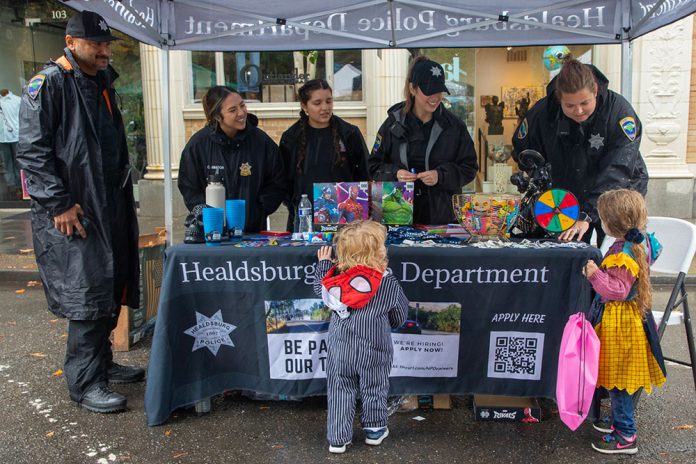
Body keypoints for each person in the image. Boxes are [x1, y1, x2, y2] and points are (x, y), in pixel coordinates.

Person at [16, 11, 143, 413]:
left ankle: (102, 363)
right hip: (74, 209)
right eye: (97, 44)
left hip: (109, 203)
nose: (105, 51)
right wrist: (58, 204)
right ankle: (85, 383)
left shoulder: (100, 80)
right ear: (71, 43)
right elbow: (33, 153)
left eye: (107, 44)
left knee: (110, 285)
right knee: (87, 295)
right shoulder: (50, 84)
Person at [512, 58, 649, 244]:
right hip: (566, 196)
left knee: (615, 260)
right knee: (567, 253)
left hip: (617, 193)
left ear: (595, 90)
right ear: (559, 98)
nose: (578, 111)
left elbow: (617, 169)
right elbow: (523, 150)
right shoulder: (542, 113)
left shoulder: (618, 111)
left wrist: (587, 215)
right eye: (569, 105)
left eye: (585, 103)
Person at [313, 220, 408, 454]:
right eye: (383, 246)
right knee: (374, 386)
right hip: (375, 348)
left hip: (340, 349)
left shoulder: (334, 280)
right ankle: (375, 430)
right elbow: (399, 315)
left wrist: (324, 264)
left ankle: (338, 438)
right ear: (377, 253)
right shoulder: (387, 283)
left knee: (339, 389)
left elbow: (319, 287)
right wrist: (391, 323)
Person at [582, 189, 666, 455]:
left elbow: (616, 290)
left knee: (619, 382)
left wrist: (595, 274)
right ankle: (620, 421)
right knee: (620, 379)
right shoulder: (644, 243)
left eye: (603, 219)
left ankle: (626, 436)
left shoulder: (622, 251)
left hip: (620, 323)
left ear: (610, 224)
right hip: (632, 318)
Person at [368, 56, 478, 225]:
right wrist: (395, 173)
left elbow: (469, 168)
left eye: (439, 91)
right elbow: (373, 166)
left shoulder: (454, 126)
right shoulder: (392, 123)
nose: (435, 97)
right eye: (429, 90)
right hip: (398, 218)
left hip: (441, 219)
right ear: (413, 89)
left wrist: (440, 176)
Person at [178, 86, 286, 233]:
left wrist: (257, 209)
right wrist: (207, 214)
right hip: (212, 233)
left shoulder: (261, 142)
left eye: (242, 105)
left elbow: (278, 180)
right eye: (233, 110)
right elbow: (188, 186)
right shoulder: (198, 146)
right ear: (217, 116)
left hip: (252, 233)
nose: (241, 113)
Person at [279, 79, 369, 231]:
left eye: (328, 101)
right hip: (304, 219)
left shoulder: (349, 133)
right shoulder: (291, 138)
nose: (325, 108)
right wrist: (296, 204)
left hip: (345, 221)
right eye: (317, 103)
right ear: (304, 105)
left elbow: (364, 174)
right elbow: (282, 180)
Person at [0, 88, 22, 194]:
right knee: (6, 163)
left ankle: (20, 184)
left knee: (18, 162)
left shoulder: (17, 100)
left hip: (16, 136)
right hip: (2, 138)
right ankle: (11, 186)